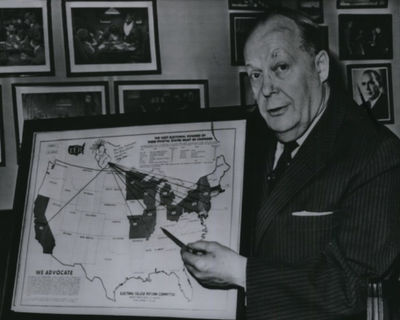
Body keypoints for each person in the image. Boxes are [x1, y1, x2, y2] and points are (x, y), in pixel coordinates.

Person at [180, 7, 400, 319]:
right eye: (256, 74)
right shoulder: (247, 134)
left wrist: (240, 272)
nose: (266, 89)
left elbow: (350, 290)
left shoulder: (376, 153)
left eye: (280, 67)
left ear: (320, 67)